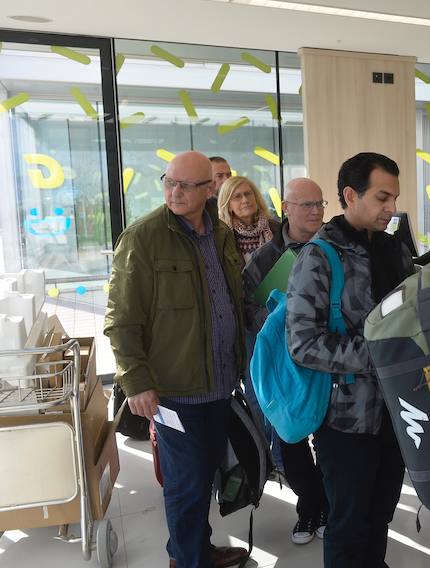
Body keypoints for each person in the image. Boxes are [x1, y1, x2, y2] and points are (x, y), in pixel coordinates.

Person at [104, 151, 248, 568]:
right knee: (186, 484)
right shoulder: (144, 237)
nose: (175, 191)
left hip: (219, 381)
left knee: (205, 476)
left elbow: (229, 301)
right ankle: (188, 561)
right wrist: (136, 380)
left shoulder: (219, 234)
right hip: (173, 390)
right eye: (169, 181)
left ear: (210, 189)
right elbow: (121, 318)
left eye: (186, 185)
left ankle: (194, 549)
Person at [286, 152, 414, 568]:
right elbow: (303, 343)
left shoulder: (396, 252)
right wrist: (379, 357)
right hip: (345, 420)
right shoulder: (320, 257)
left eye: (393, 198)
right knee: (348, 524)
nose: (391, 208)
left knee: (379, 517)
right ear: (349, 195)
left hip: (396, 414)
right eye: (381, 198)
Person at [241, 177, 329, 545]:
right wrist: (281, 321)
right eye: (306, 205)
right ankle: (310, 507)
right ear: (286, 209)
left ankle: (326, 507)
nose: (315, 212)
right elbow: (246, 305)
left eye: (320, 204)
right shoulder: (267, 257)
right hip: (286, 366)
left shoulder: (336, 250)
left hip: (329, 362)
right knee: (289, 440)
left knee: (329, 441)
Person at [217, 176, 280, 264]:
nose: (245, 200)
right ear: (228, 205)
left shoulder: (276, 228)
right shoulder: (222, 236)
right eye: (237, 197)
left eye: (248, 194)